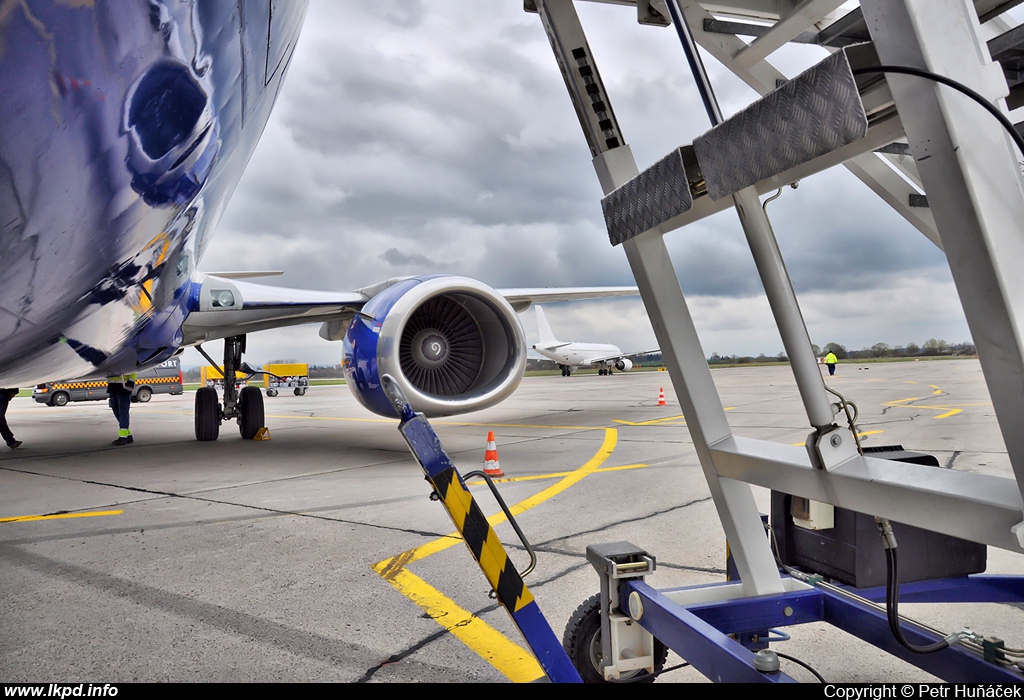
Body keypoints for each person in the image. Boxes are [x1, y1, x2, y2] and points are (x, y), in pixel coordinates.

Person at [107, 372, 137, 446]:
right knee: (116, 411)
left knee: (123, 413)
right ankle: (128, 435)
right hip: (112, 387)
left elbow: (133, 371)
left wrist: (130, 385)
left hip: (124, 387)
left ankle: (123, 438)